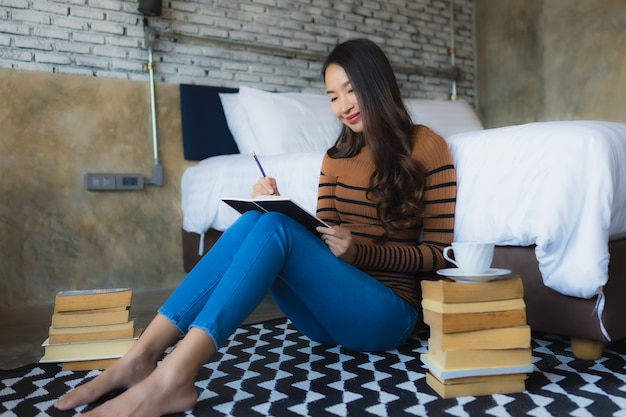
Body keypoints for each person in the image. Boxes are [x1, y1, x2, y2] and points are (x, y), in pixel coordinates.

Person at [54, 38, 457, 417]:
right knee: (258, 219)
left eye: (350, 90)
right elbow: (326, 235)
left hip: (387, 317)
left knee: (275, 228)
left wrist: (359, 252)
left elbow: (441, 256)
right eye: (333, 97)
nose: (343, 106)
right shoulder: (335, 156)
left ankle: (174, 376)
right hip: (324, 321)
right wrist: (280, 204)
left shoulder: (426, 146)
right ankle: (141, 358)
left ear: (376, 85)